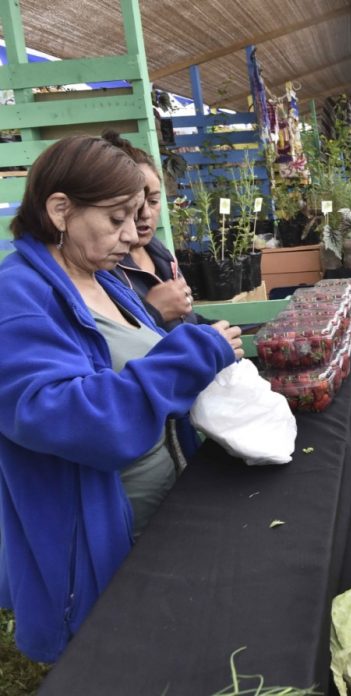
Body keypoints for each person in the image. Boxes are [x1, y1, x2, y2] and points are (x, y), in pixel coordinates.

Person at [0, 136, 244, 663]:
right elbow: (70, 417)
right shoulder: (15, 298)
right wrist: (189, 357)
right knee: (119, 662)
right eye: (115, 219)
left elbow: (141, 360)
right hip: (92, 544)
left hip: (160, 508)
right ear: (60, 209)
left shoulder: (103, 277)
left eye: (135, 216)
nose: (131, 235)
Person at [102, 130, 199, 330]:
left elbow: (187, 320)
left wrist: (218, 332)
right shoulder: (103, 268)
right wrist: (153, 311)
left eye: (154, 201)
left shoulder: (161, 254)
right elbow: (115, 344)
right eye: (133, 203)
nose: (145, 213)